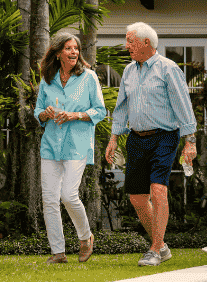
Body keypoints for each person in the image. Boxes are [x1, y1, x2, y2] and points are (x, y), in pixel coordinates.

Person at [104, 22, 197, 266]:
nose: (127, 46)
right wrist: (114, 137)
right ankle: (162, 245)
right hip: (136, 138)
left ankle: (155, 249)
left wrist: (190, 141)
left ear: (146, 43)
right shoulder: (128, 71)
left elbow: (183, 105)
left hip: (164, 136)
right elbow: (122, 107)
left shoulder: (168, 69)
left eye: (130, 41)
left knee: (158, 190)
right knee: (137, 198)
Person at [34, 32, 107, 264]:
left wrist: (75, 115)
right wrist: (44, 114)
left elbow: (100, 110)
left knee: (68, 195)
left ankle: (86, 238)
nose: (74, 52)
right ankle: (58, 252)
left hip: (77, 144)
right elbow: (37, 112)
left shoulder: (89, 77)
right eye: (68, 48)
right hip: (51, 145)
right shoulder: (47, 80)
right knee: (49, 199)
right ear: (58, 53)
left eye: (76, 48)